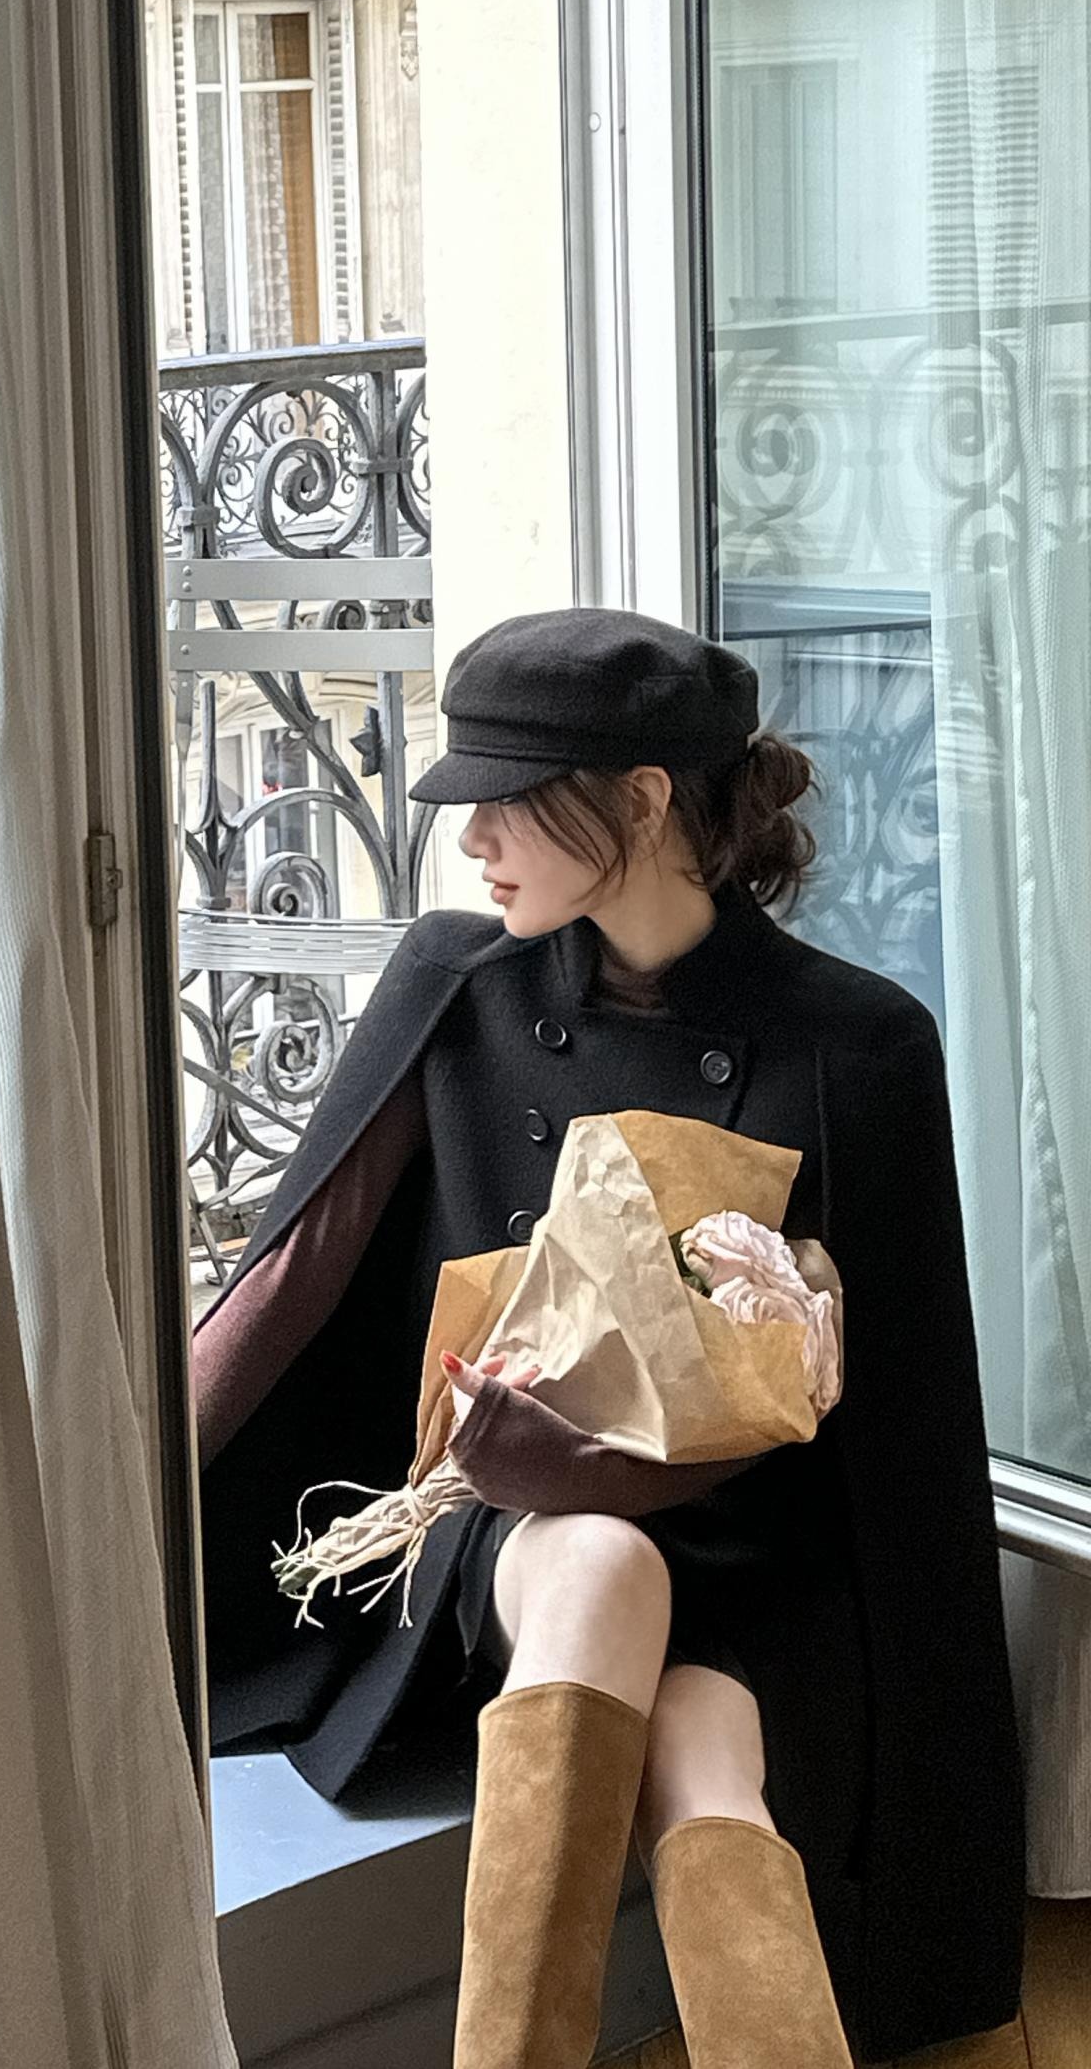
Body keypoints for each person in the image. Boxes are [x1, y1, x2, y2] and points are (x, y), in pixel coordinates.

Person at [193, 607, 1025, 2069]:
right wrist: (98, 1509)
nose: (470, 841)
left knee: (709, 1759)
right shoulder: (462, 982)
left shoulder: (858, 1042)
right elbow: (291, 1275)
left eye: (505, 801)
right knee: (601, 1563)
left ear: (642, 800)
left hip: (761, 1552)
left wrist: (945, 1807)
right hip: (520, 1518)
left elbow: (917, 1441)